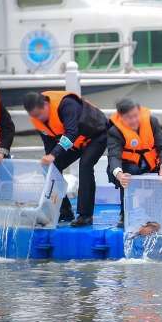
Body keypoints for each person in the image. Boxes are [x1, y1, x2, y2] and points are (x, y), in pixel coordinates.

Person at [24, 90, 108, 226]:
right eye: (34, 116)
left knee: (85, 165)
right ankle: (65, 210)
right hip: (76, 142)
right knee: (53, 167)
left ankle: (85, 215)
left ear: (46, 105)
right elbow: (49, 143)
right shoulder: (37, 119)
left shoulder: (67, 105)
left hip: (96, 135)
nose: (38, 118)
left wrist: (54, 154)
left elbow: (71, 132)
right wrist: (50, 159)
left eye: (39, 114)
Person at [107, 98, 162, 227]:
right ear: (121, 117)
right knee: (127, 174)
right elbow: (114, 156)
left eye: (136, 115)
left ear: (139, 112)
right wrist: (119, 175)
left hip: (151, 164)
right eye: (128, 117)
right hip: (128, 167)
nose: (134, 120)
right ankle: (125, 212)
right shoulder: (114, 131)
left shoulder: (152, 122)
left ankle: (153, 207)